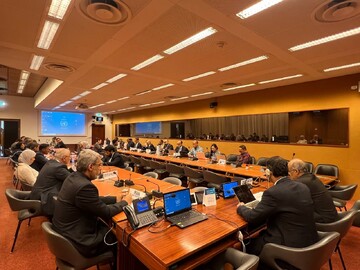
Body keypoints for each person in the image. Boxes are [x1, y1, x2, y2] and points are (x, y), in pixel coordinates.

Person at [52, 149, 132, 260]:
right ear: (90, 167)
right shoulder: (84, 186)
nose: (101, 169)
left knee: (109, 226)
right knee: (120, 235)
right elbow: (106, 212)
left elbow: (92, 200)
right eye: (99, 165)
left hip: (65, 231)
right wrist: (125, 202)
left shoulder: (73, 177)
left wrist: (115, 199)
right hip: (78, 239)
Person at [237, 156, 318, 257]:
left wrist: (241, 207)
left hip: (288, 249)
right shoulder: (303, 187)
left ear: (268, 172)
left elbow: (252, 217)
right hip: (310, 243)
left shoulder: (273, 192)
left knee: (238, 246)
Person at [288, 159, 338, 223]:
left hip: (324, 219)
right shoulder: (311, 177)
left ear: (296, 171)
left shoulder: (300, 183)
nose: (288, 175)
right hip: (330, 215)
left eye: (289, 172)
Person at [30, 148, 71, 216]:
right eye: (69, 156)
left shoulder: (51, 162)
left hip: (37, 194)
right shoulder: (59, 168)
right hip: (44, 199)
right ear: (64, 158)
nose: (70, 158)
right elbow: (73, 180)